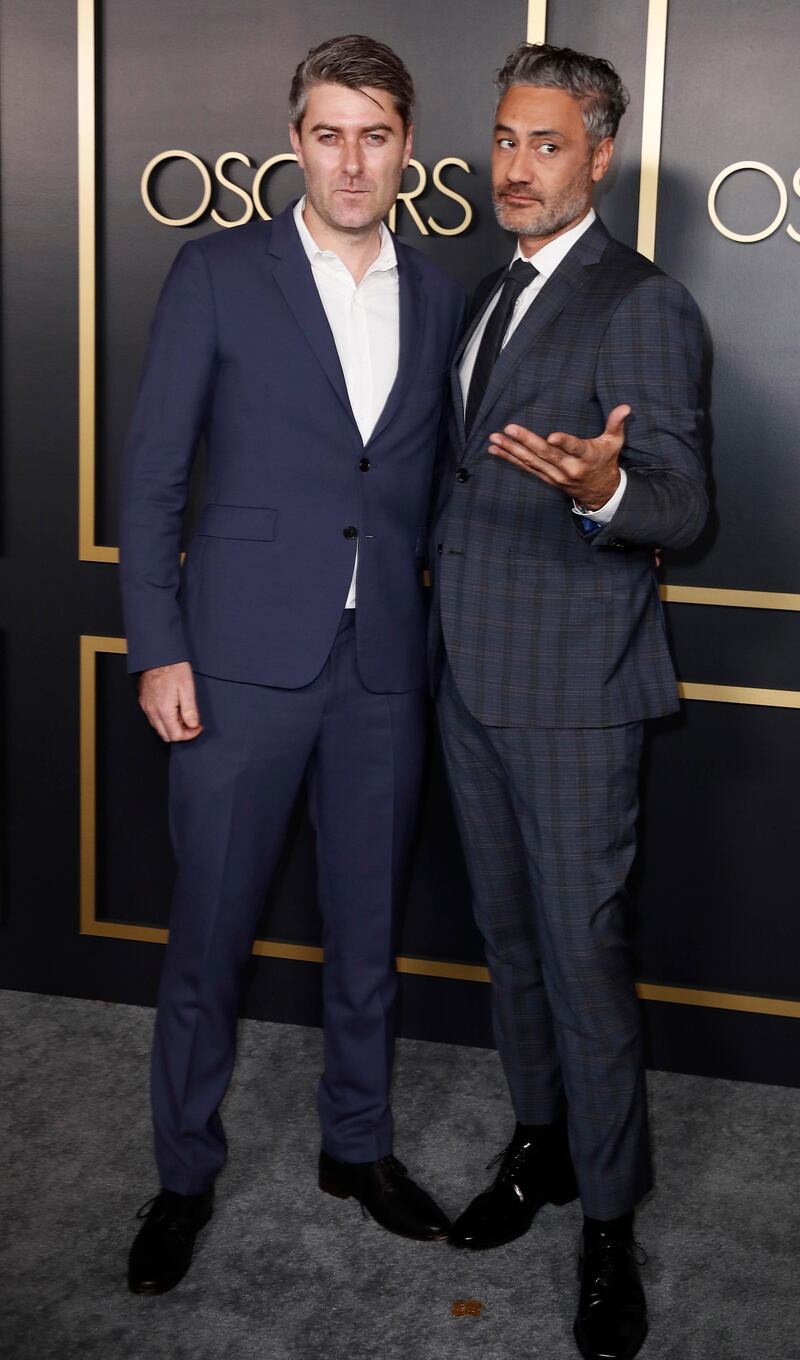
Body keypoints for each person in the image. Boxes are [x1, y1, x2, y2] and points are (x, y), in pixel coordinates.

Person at [120, 33, 465, 1295]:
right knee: (209, 935)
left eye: (375, 134)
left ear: (405, 148)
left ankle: (356, 1146)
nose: (352, 158)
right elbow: (154, 475)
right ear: (296, 141)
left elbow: (430, 484)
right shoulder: (215, 274)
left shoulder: (439, 295)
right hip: (238, 663)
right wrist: (158, 647)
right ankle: (182, 1173)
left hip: (381, 667)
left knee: (365, 929)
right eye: (329, 132)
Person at [431, 43, 707, 1360]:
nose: (514, 167)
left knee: (585, 963)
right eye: (504, 139)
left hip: (578, 695)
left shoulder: (641, 305)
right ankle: (538, 1147)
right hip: (467, 684)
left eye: (545, 144)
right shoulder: (485, 294)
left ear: (600, 154)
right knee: (511, 942)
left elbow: (683, 506)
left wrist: (604, 488)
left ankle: (608, 1224)